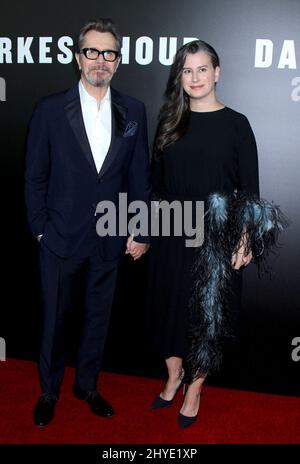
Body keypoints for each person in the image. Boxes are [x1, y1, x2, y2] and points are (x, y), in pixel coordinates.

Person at [25, 18, 150, 426]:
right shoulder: (49, 109)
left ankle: (88, 385)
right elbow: (35, 176)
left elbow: (138, 178)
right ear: (79, 58)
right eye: (92, 52)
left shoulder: (133, 110)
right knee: (54, 320)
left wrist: (140, 228)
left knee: (98, 318)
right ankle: (49, 390)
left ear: (118, 61)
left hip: (109, 238)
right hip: (59, 238)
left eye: (109, 53)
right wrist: (41, 229)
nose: (101, 60)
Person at [147, 40, 259, 428]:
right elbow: (155, 187)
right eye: (187, 70)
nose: (195, 78)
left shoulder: (237, 124)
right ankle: (174, 376)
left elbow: (250, 190)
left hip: (217, 238)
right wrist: (144, 231)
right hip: (170, 232)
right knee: (169, 310)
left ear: (217, 73)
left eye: (202, 69)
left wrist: (245, 239)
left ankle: (195, 387)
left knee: (205, 316)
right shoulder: (169, 122)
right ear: (180, 76)